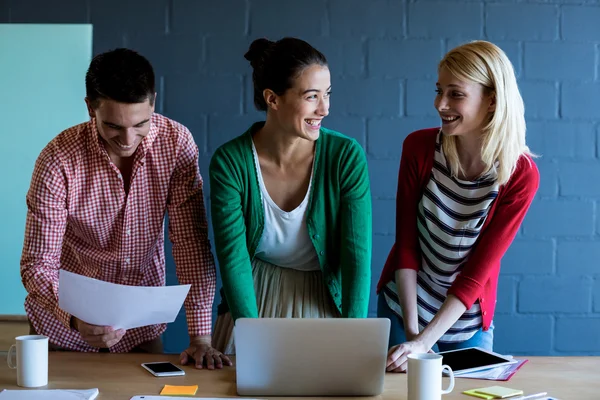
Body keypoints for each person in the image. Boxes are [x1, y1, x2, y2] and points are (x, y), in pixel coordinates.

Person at [20, 48, 231, 369]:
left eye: (141, 123)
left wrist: (200, 337)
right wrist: (75, 318)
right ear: (90, 107)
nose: (128, 138)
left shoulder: (176, 144)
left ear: (154, 101)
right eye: (113, 126)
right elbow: (38, 264)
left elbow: (191, 245)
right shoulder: (57, 159)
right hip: (62, 331)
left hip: (139, 329)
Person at [376, 40, 539, 372]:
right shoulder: (419, 148)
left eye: (456, 94)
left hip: (465, 322)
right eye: (439, 91)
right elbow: (406, 245)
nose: (441, 104)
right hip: (404, 305)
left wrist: (426, 340)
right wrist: (413, 334)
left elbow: (476, 274)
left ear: (492, 101)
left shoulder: (520, 175)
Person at [209, 37, 372, 354]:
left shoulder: (346, 156)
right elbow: (233, 258)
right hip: (252, 298)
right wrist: (251, 335)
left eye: (327, 94)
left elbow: (357, 256)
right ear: (273, 99)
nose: (324, 109)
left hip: (322, 296)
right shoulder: (230, 162)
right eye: (312, 96)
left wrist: (355, 339)